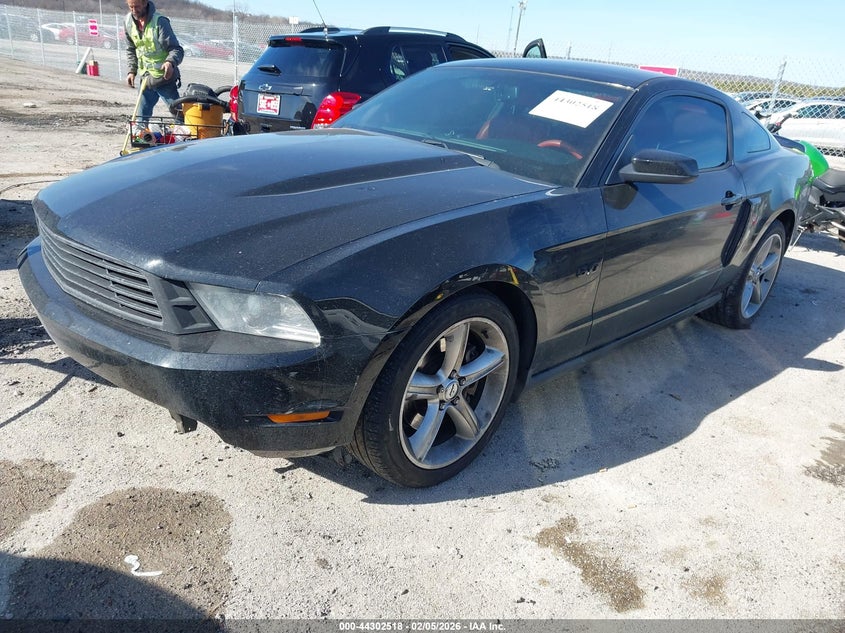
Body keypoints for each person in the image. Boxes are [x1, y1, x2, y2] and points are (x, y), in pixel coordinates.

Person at [124, 0, 184, 125]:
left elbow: (176, 49)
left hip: (164, 78)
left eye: (137, 6)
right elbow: (131, 49)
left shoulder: (160, 22)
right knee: (141, 117)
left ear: (145, 3)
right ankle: (142, 139)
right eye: (131, 7)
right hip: (146, 78)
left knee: (178, 115)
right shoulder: (128, 22)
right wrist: (132, 71)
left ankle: (185, 138)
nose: (134, 10)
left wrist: (170, 62)